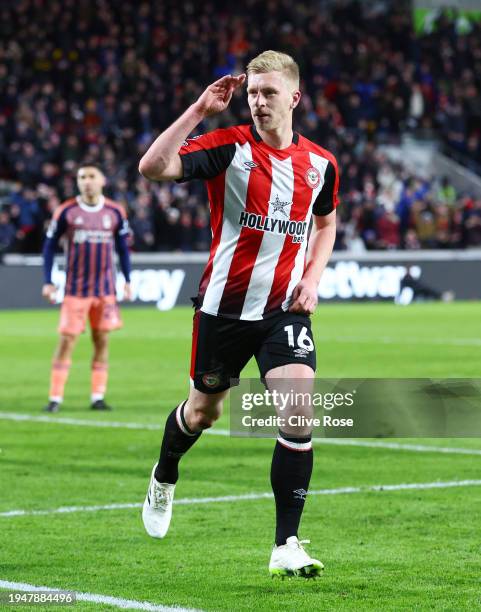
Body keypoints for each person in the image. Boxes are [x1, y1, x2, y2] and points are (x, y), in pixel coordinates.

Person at [139, 51, 339, 578]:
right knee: (203, 413)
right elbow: (153, 167)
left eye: (268, 92)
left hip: (282, 312)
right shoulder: (228, 148)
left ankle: (286, 544)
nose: (257, 101)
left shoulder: (320, 164)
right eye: (252, 92)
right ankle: (165, 472)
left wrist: (312, 279)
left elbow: (326, 225)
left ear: (293, 97)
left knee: (298, 411)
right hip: (223, 311)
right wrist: (201, 109)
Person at [41, 164, 132, 413]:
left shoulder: (115, 211)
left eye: (92, 176)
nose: (87, 181)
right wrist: (48, 281)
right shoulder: (67, 211)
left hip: (105, 290)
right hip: (75, 290)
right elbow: (48, 247)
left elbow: (123, 249)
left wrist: (128, 279)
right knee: (66, 341)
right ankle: (55, 398)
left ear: (102, 180)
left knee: (101, 341)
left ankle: (97, 397)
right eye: (82, 177)